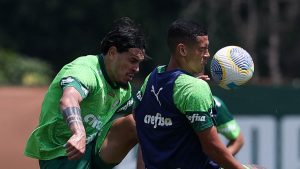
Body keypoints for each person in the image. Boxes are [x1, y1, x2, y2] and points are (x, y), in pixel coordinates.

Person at [24, 17, 146, 169]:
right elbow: (68, 100)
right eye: (132, 60)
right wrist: (79, 133)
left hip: (93, 148)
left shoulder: (123, 88)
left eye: (139, 63)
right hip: (62, 152)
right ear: (113, 52)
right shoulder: (86, 71)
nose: (137, 69)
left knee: (140, 121)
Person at [133, 19, 248, 169]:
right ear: (182, 50)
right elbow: (212, 148)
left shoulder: (153, 77)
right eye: (202, 49)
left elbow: (138, 117)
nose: (207, 55)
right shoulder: (193, 88)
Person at [136, 95, 245, 169]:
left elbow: (238, 139)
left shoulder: (213, 103)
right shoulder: (162, 103)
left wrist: (220, 160)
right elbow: (146, 143)